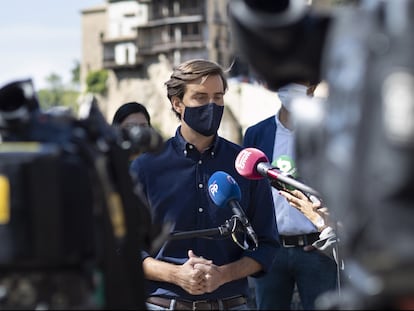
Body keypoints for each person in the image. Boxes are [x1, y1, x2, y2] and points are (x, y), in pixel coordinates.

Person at [130, 59, 279, 310]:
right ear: (177, 103)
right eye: (200, 97)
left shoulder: (246, 164)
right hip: (163, 304)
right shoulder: (145, 168)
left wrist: (223, 274)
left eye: (218, 97)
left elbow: (267, 245)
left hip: (230, 303)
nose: (212, 105)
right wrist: (176, 274)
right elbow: (124, 250)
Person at [243, 82, 338, 310]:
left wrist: (329, 233)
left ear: (313, 86)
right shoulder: (256, 133)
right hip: (271, 251)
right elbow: (247, 191)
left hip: (317, 249)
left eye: (301, 80)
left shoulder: (327, 131)